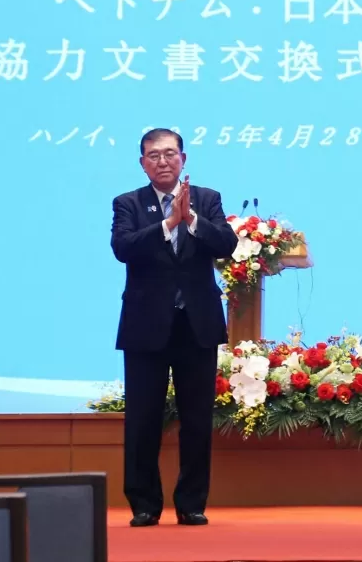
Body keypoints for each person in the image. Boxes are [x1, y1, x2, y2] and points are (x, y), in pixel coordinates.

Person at [110, 128, 239, 528]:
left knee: (197, 419)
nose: (162, 161)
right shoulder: (128, 203)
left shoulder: (207, 199)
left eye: (170, 154)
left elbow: (227, 244)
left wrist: (192, 219)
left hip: (196, 324)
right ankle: (145, 504)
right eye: (154, 155)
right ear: (142, 162)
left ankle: (191, 503)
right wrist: (168, 222)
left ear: (183, 158)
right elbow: (124, 248)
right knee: (143, 419)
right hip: (146, 326)